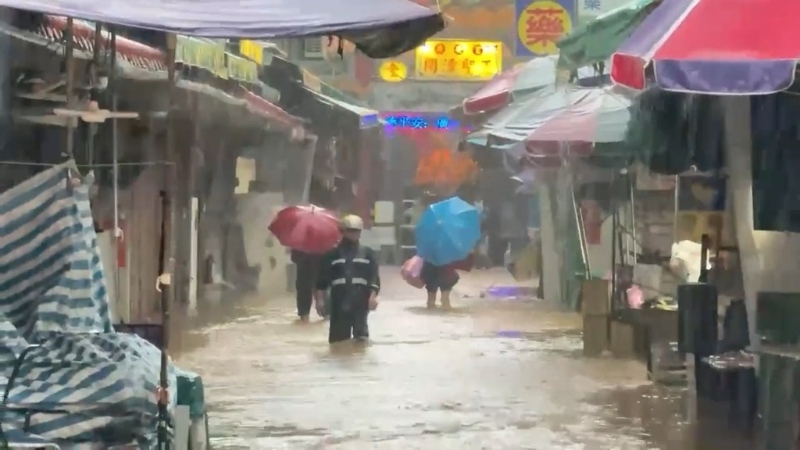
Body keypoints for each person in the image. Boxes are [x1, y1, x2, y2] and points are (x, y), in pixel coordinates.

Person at [315, 215, 380, 344]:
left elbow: (374, 279)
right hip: (339, 300)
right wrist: (320, 301)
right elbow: (321, 281)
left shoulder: (368, 254)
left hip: (360, 301)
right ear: (343, 231)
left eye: (356, 230)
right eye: (350, 230)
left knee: (361, 341)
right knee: (338, 342)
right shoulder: (331, 255)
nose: (353, 234)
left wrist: (372, 297)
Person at [290, 249, 323, 322]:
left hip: (304, 278)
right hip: (313, 277)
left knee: (304, 308)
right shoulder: (321, 243)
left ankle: (305, 317)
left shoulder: (299, 242)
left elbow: (293, 258)